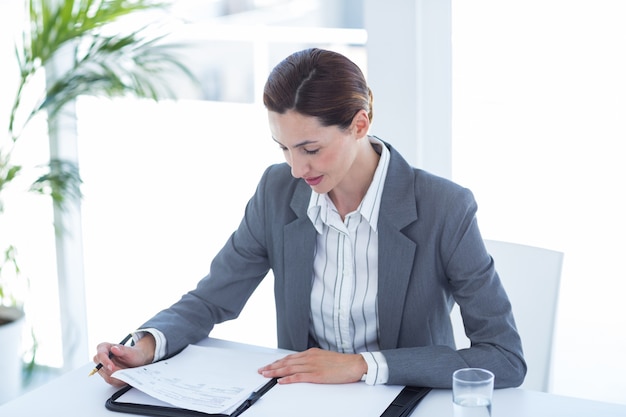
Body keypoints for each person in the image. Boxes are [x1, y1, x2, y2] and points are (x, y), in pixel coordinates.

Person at [94, 48, 526, 389]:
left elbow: (503, 357)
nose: (297, 168)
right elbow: (211, 299)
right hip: (301, 402)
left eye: (311, 149)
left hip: (403, 402)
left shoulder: (444, 208)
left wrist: (359, 367)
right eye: (283, 148)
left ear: (360, 124)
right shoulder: (277, 191)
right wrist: (145, 346)